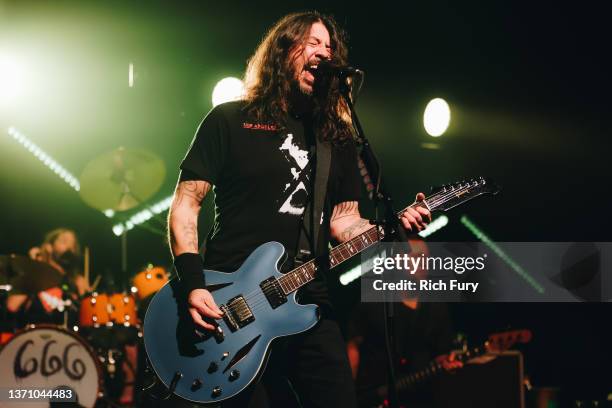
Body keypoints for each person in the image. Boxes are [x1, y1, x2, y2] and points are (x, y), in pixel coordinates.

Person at [167, 11, 431, 407]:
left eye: (330, 46)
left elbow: (344, 222)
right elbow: (187, 203)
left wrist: (390, 228)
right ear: (283, 50)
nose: (324, 53)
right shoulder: (231, 120)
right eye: (312, 43)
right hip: (231, 306)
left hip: (308, 302)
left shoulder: (334, 137)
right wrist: (192, 283)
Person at [6, 228, 89, 324]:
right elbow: (12, 306)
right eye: (64, 241)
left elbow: (87, 320)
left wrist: (85, 295)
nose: (69, 247)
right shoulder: (35, 274)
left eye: (73, 245)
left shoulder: (75, 282)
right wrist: (34, 268)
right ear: (49, 247)